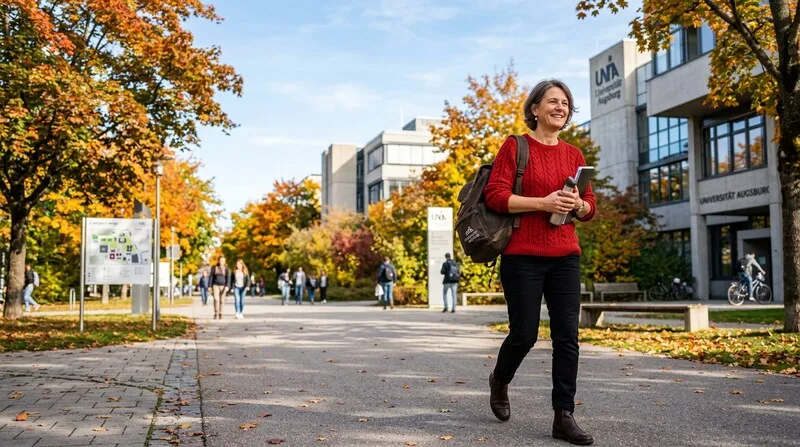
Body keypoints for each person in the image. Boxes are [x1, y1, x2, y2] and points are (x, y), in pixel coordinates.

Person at [483, 79, 596, 445]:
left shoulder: (574, 154)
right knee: (524, 334)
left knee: (568, 338)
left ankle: (563, 416)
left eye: (565, 102)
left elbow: (590, 206)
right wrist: (542, 203)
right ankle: (499, 380)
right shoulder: (516, 146)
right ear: (535, 109)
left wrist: (578, 205)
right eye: (553, 101)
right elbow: (496, 196)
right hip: (522, 256)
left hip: (565, 254)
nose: (560, 107)